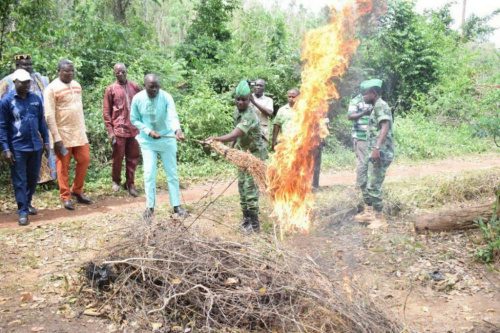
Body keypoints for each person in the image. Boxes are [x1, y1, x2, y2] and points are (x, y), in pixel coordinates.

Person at [207, 80, 267, 233]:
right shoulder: (237, 112)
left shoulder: (250, 115)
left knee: (250, 187)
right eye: (238, 99)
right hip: (242, 154)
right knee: (241, 186)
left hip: (254, 155)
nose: (240, 102)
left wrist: (217, 139)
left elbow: (237, 133)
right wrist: (231, 150)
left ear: (249, 100)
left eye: (244, 99)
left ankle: (254, 225)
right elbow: (236, 136)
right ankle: (246, 220)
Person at [130, 74, 188, 220]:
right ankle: (150, 208)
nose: (155, 89)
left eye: (157, 86)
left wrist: (177, 130)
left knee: (172, 173)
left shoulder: (167, 97)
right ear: (145, 86)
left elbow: (172, 115)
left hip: (167, 139)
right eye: (151, 87)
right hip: (148, 142)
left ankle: (176, 206)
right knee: (149, 174)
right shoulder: (138, 99)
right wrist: (148, 131)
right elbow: (134, 119)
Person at [0, 69, 50, 225]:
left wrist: (47, 142)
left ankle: (27, 203)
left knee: (33, 178)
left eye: (28, 82)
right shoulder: (7, 101)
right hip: (17, 147)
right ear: (15, 82)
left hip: (35, 145)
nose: (26, 85)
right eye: (23, 82)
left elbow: (42, 122)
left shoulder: (35, 99)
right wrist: (6, 149)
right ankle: (22, 211)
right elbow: (2, 126)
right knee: (20, 180)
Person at [0, 54, 56, 182]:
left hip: (38, 120)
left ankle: (46, 180)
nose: (28, 67)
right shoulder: (6, 82)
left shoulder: (38, 79)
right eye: (25, 65)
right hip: (17, 124)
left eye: (30, 64)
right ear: (17, 66)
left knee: (43, 149)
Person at [44, 59, 92, 210]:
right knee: (63, 166)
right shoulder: (51, 89)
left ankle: (77, 190)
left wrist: (84, 130)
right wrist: (56, 138)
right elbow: (49, 115)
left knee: (84, 160)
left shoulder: (77, 85)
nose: (69, 73)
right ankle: (65, 196)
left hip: (78, 132)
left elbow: (79, 110)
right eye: (66, 71)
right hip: (62, 134)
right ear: (58, 71)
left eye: (72, 71)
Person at [354, 79, 394, 229]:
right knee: (363, 179)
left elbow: (385, 127)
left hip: (381, 152)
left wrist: (377, 148)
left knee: (373, 185)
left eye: (365, 94)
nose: (363, 97)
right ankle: (369, 212)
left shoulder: (381, 106)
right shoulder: (375, 106)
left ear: (373, 93)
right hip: (373, 151)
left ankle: (380, 218)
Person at [103, 63, 141, 197]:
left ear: (126, 72)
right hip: (119, 129)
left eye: (122, 71)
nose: (120, 74)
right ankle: (116, 181)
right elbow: (107, 112)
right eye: (117, 72)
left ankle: (130, 183)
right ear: (114, 73)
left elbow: (142, 105)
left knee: (133, 157)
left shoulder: (135, 87)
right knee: (117, 157)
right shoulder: (111, 89)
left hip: (134, 129)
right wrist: (110, 131)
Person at [347, 82, 373, 201]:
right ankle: (360, 187)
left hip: (372, 136)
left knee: (367, 162)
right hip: (360, 136)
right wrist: (364, 113)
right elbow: (350, 116)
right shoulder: (356, 100)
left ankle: (366, 186)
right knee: (363, 162)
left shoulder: (372, 100)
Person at [250, 79, 273, 148]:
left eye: (261, 86)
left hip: (262, 130)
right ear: (253, 87)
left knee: (262, 152)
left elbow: (269, 113)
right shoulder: (247, 97)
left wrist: (254, 102)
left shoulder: (268, 100)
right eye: (256, 85)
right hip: (249, 129)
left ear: (264, 88)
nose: (258, 87)